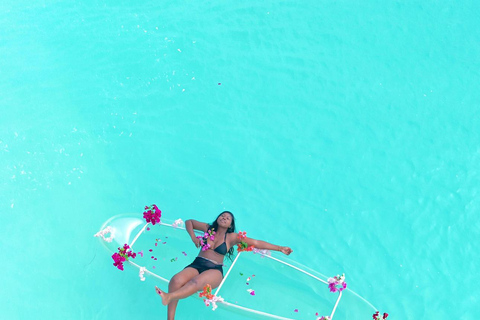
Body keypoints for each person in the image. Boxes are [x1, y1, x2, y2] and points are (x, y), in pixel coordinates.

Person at [155, 211, 293, 320]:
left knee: (195, 282)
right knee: (176, 280)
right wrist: (193, 237)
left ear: (230, 225)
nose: (224, 218)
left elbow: (256, 243)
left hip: (214, 270)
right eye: (222, 215)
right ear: (218, 219)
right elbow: (189, 222)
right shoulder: (208, 229)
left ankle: (169, 296)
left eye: (228, 218)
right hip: (197, 263)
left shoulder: (232, 237)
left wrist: (280, 248)